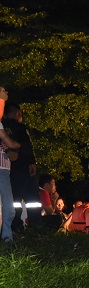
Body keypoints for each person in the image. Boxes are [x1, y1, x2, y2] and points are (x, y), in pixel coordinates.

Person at [2, 100, 39, 231]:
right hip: (23, 169)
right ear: (18, 113)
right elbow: (26, 146)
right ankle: (36, 226)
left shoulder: (2, 126)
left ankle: (15, 226)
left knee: (13, 200)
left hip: (8, 170)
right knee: (32, 201)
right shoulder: (20, 128)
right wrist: (32, 162)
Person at [0, 86, 21, 243]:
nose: (4, 91)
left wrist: (10, 147)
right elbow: (13, 144)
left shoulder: (2, 126)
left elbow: (13, 154)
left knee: (9, 209)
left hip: (4, 171)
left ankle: (7, 239)